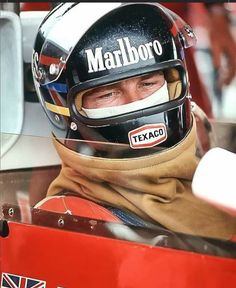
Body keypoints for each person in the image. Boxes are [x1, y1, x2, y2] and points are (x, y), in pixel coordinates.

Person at [32, 2, 236, 239]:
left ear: (174, 83)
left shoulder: (217, 177)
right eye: (107, 93)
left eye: (148, 83)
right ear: (63, 108)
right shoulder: (69, 220)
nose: (135, 102)